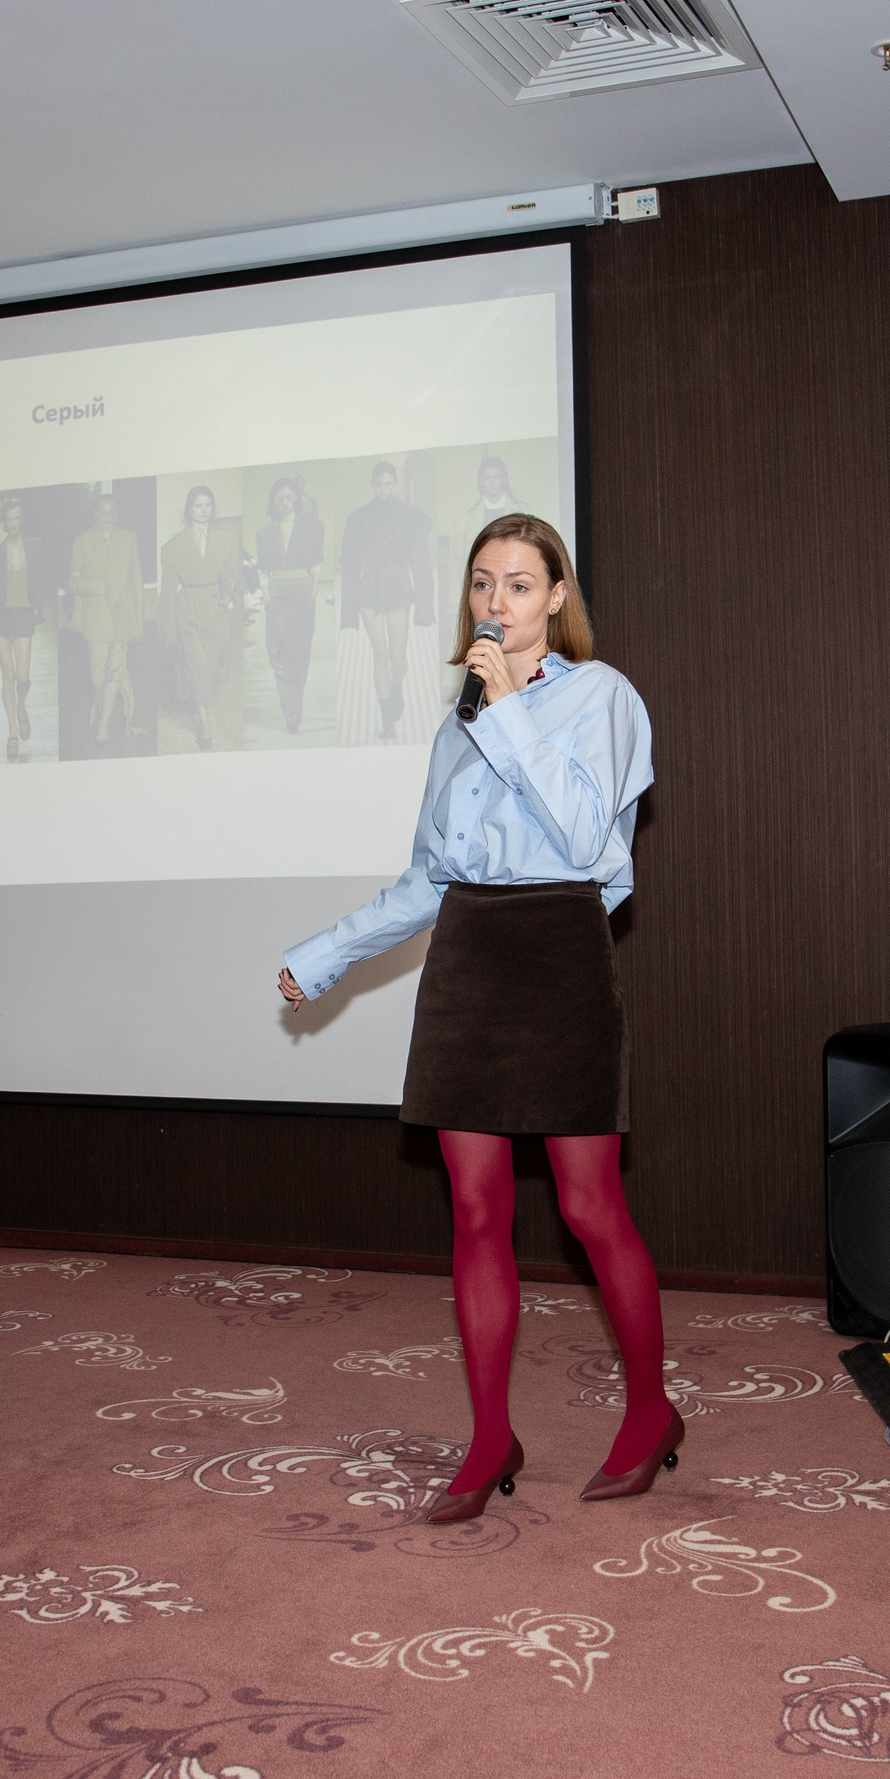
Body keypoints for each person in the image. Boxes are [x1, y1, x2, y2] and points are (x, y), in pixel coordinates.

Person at [275, 513, 668, 1524]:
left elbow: (588, 838)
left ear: (555, 599)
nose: (497, 602)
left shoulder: (602, 698)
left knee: (588, 1208)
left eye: (520, 585)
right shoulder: (456, 727)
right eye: (482, 584)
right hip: (468, 958)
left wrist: (511, 710)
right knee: (477, 1210)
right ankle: (491, 1432)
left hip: (562, 949)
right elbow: (426, 879)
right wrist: (325, 956)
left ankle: (650, 1410)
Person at [339, 459, 435, 739]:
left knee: (397, 657)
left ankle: (396, 688)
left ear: (394, 483)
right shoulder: (358, 518)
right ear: (372, 484)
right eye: (378, 483)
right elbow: (350, 562)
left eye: (388, 483)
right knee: (379, 653)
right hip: (368, 586)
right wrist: (348, 606)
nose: (383, 488)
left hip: (396, 586)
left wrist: (424, 604)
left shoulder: (408, 514)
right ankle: (386, 719)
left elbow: (421, 560)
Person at [159, 485, 239, 751]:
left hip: (216, 613)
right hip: (188, 612)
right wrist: (168, 632)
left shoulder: (226, 540)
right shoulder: (171, 548)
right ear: (189, 510)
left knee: (211, 669)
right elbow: (168, 593)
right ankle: (205, 726)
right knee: (198, 669)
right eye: (197, 505)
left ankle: (200, 707)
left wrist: (228, 597)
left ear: (212, 509)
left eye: (207, 505)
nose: (203, 511)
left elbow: (233, 575)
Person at [68, 493, 144, 748]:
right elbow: (73, 583)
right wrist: (101, 586)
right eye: (102, 512)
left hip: (122, 618)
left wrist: (139, 619)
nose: (107, 517)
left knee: (114, 670)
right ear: (95, 514)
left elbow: (137, 582)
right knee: (97, 676)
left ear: (117, 514)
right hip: (96, 619)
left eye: (112, 512)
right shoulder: (82, 541)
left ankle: (103, 725)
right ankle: (102, 715)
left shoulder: (129, 539)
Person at [256, 476, 324, 734]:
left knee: (300, 653)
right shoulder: (264, 532)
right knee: (279, 653)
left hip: (301, 592)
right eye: (279, 498)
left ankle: (294, 707)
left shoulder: (311, 527)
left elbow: (316, 563)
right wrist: (265, 593)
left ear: (296, 499)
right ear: (273, 502)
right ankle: (291, 710)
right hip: (277, 595)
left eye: (288, 497)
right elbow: (263, 568)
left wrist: (313, 589)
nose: (284, 502)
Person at [0, 500, 40, 762]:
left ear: (22, 519)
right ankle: (13, 733)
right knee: (8, 675)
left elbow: (43, 579)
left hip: (25, 613)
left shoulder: (35, 547)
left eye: (17, 518)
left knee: (23, 676)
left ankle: (21, 705)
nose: (14, 524)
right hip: (1, 616)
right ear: (4, 522)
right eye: (9, 519)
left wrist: (39, 606)